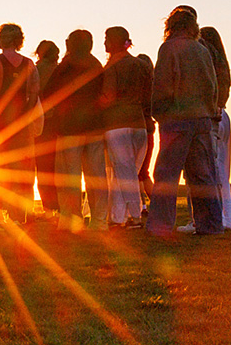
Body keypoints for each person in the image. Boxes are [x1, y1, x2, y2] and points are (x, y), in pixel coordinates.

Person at [146, 7, 222, 236]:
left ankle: (160, 227)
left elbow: (163, 85)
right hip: (201, 119)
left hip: (176, 120)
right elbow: (212, 85)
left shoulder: (169, 48)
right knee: (203, 177)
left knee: (167, 177)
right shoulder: (202, 49)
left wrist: (158, 112)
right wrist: (209, 111)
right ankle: (211, 225)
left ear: (171, 26)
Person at [46, 30, 106, 232]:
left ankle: (72, 218)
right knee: (96, 175)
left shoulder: (66, 66)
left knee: (68, 176)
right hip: (95, 126)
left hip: (69, 128)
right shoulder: (96, 65)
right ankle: (99, 220)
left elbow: (50, 93)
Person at [0, 23, 40, 225]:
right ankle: (19, 215)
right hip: (21, 124)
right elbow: (33, 93)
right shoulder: (29, 64)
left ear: (1, 39)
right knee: (21, 171)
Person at [98, 27, 152, 229]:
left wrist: (94, 104)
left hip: (117, 124)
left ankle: (136, 216)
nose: (104, 43)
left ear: (112, 42)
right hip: (139, 123)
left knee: (124, 172)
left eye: (106, 39)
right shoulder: (141, 66)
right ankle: (119, 216)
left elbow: (108, 97)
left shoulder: (112, 66)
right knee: (129, 172)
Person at [198, 26, 231, 230]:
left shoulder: (206, 59)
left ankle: (218, 219)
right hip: (224, 115)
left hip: (212, 116)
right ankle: (228, 218)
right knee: (222, 173)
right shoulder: (223, 66)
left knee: (210, 171)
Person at [33, 40, 62, 216]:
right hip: (58, 122)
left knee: (43, 166)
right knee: (57, 166)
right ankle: (57, 206)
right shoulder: (59, 70)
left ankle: (48, 206)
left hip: (42, 121)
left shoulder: (36, 70)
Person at [136, 53, 157, 213]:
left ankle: (150, 204)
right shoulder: (154, 87)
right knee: (142, 172)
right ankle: (145, 206)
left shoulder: (137, 87)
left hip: (139, 128)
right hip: (149, 129)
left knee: (138, 172)